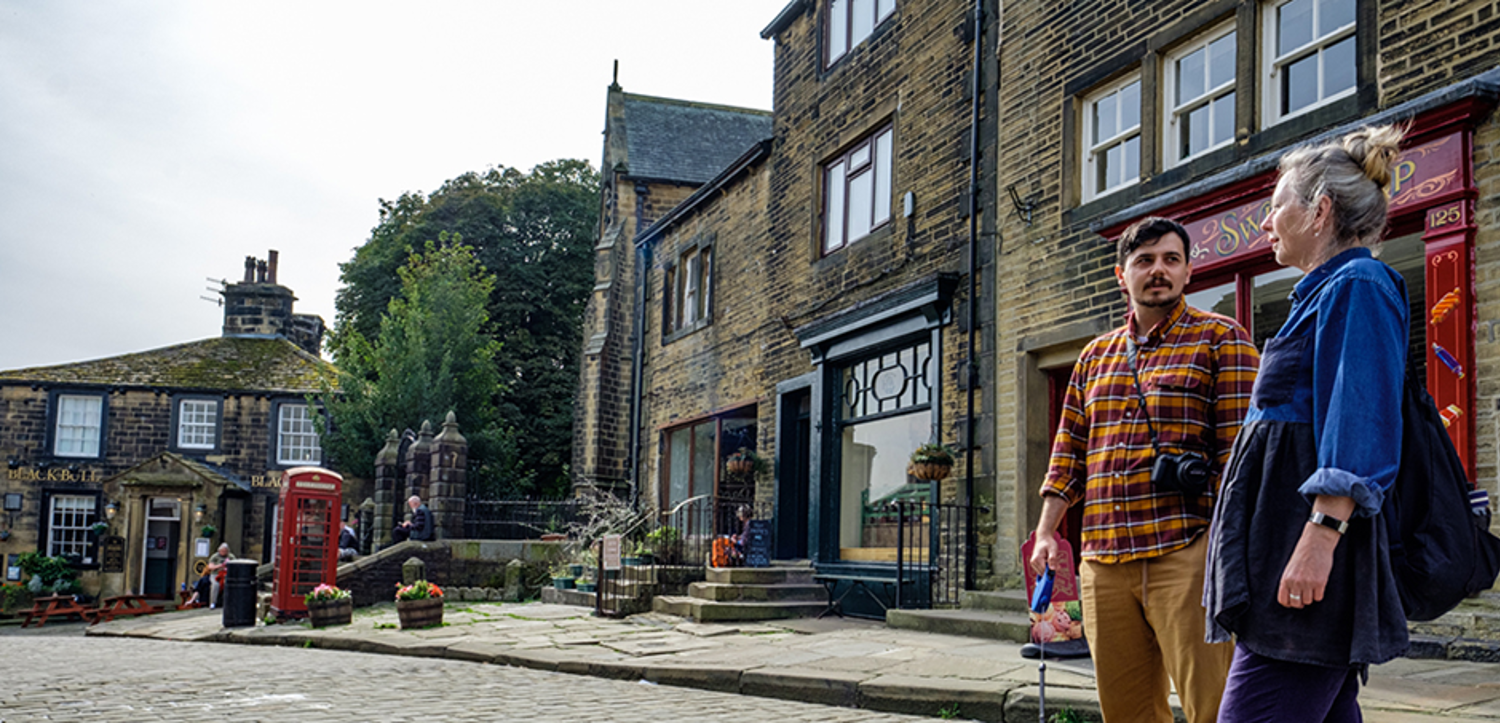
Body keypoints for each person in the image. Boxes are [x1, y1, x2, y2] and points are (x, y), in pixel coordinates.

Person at [1204, 125, 1411, 722]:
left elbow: (1361, 421)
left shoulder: (1359, 283)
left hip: (1305, 568)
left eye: (1275, 208)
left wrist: (1319, 539)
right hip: (1287, 558)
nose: (1265, 224)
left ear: (1319, 211)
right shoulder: (1322, 295)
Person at [1031, 215, 1260, 723]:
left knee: (1214, 707)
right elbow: (1068, 451)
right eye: (1145, 260)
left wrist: (1226, 552)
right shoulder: (1094, 357)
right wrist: (1047, 533)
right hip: (1103, 560)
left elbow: (1241, 460)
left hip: (1187, 551)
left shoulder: (1221, 338)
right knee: (1126, 711)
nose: (1158, 270)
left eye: (1171, 260)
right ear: (1122, 274)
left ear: (1187, 272)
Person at [206, 543, 234, 609]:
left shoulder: (231, 556)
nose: (224, 552)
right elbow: (210, 567)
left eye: (225, 551)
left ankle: (228, 602)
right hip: (216, 574)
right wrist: (220, 565)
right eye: (222, 551)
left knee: (228, 584)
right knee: (215, 585)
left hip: (226, 574)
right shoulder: (215, 557)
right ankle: (213, 602)